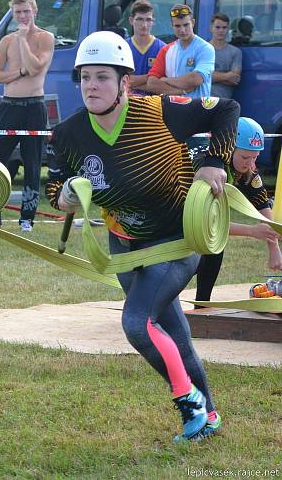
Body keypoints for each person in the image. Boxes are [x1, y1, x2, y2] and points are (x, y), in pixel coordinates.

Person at [46, 31, 238, 442]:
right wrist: (63, 196)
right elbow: (53, 187)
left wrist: (214, 160)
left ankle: (190, 404)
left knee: (137, 324)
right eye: (85, 77)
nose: (91, 86)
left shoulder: (161, 111)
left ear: (124, 84)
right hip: (124, 247)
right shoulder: (68, 134)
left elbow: (228, 108)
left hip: (176, 241)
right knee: (172, 332)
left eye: (102, 77)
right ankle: (209, 415)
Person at [0, 0, 55, 232]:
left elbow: (36, 67)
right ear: (13, 15)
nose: (23, 16)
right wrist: (16, 73)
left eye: (26, 11)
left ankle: (27, 219)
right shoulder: (6, 41)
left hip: (34, 106)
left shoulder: (45, 38)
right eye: (18, 13)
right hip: (9, 106)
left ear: (34, 11)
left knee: (33, 164)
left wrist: (24, 39)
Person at [195, 117, 281, 302]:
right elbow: (207, 221)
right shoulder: (206, 165)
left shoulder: (248, 169)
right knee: (191, 260)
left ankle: (202, 306)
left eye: (255, 157)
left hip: (201, 221)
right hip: (175, 215)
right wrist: (251, 231)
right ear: (228, 148)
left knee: (215, 248)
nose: (249, 163)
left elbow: (263, 206)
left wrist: (274, 249)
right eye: (244, 157)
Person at [146, 4, 215, 99]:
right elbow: (151, 83)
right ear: (171, 25)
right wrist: (179, 92)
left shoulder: (205, 48)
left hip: (198, 109)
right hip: (173, 109)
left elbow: (196, 79)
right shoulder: (166, 50)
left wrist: (166, 80)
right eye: (177, 26)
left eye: (186, 25)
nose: (182, 30)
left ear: (193, 23)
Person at [125, 0, 165, 96]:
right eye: (139, 19)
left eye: (148, 20)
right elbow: (122, 81)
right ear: (131, 20)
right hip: (128, 105)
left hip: (155, 106)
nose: (144, 25)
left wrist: (134, 82)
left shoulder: (163, 48)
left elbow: (164, 83)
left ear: (153, 22)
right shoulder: (123, 47)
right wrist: (152, 77)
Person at [209, 12, 242, 99]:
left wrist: (211, 77)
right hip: (203, 100)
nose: (221, 30)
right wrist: (227, 76)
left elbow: (235, 79)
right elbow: (199, 77)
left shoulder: (236, 52)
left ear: (228, 29)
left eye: (224, 27)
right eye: (217, 27)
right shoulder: (203, 50)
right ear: (211, 28)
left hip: (224, 103)